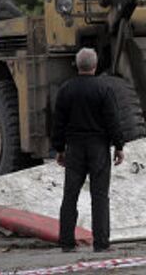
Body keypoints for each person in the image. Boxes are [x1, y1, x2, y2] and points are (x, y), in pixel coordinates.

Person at [52, 48, 124, 253]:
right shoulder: (104, 88)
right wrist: (119, 146)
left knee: (70, 195)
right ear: (95, 65)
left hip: (74, 147)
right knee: (100, 196)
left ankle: (66, 242)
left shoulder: (66, 89)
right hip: (99, 147)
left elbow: (58, 122)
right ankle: (101, 243)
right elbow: (113, 120)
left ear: (77, 65)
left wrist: (59, 148)